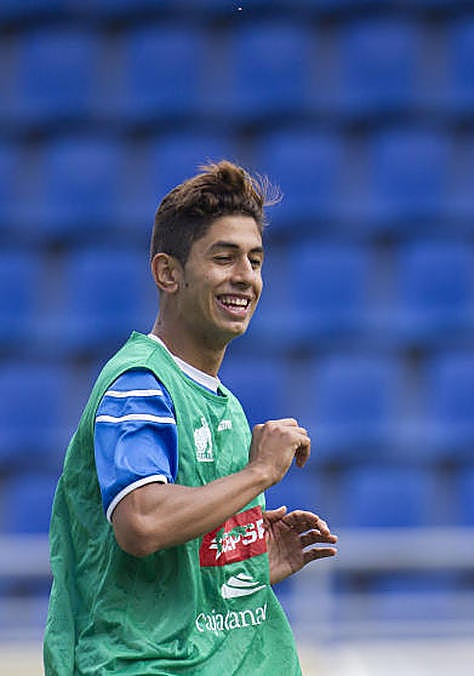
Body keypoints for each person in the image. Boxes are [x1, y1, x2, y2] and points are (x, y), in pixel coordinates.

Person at [44, 161, 338, 675]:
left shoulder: (224, 403)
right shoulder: (140, 384)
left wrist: (245, 562)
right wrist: (259, 473)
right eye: (224, 257)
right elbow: (142, 522)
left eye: (255, 260)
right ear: (168, 272)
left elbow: (168, 559)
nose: (245, 276)